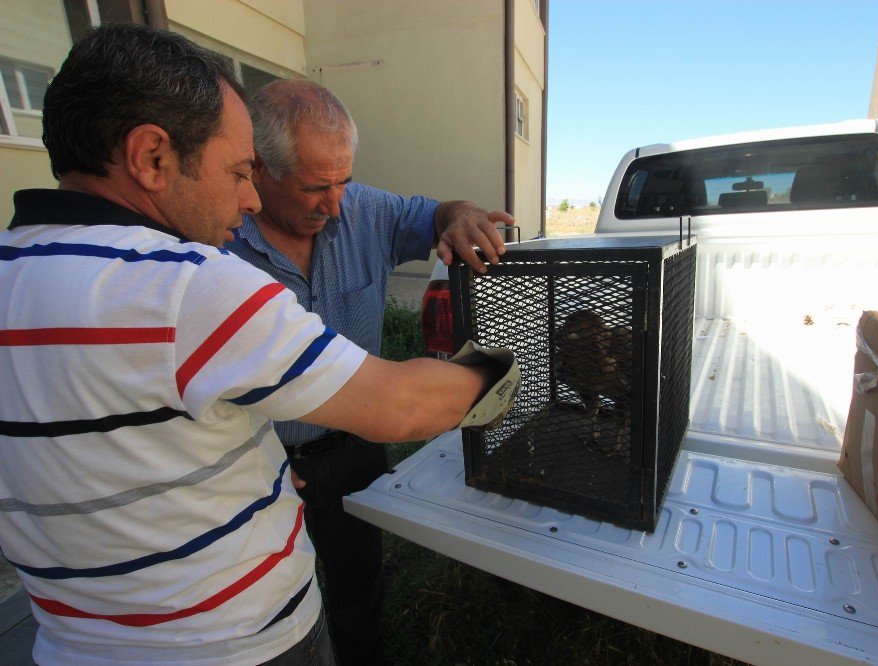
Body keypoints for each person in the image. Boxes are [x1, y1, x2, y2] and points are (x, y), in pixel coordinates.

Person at [0, 24, 516, 666]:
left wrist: (252, 468)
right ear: (152, 156)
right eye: (239, 171)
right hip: (236, 640)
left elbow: (126, 444)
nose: (244, 197)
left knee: (361, 598)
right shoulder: (187, 283)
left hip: (77, 644)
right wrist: (512, 360)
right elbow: (402, 405)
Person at [224, 80, 514, 665]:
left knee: (359, 589)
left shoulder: (363, 210)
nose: (334, 206)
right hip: (265, 468)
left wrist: (459, 216)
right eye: (314, 188)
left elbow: (434, 214)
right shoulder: (218, 242)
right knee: (269, 609)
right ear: (258, 170)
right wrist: (506, 372)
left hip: (355, 450)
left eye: (343, 182)